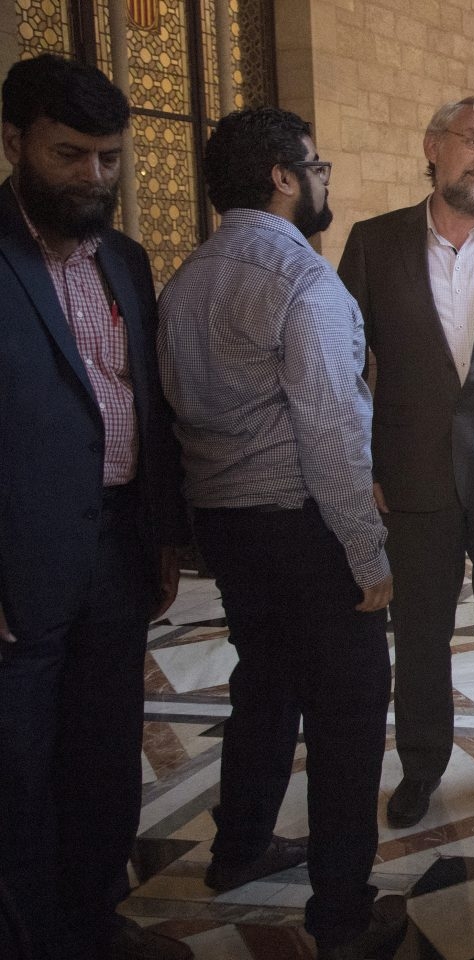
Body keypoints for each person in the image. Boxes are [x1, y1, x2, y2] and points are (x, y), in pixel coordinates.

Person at [158, 107, 407, 960]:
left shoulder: (187, 278)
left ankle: (239, 847)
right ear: (283, 176)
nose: (324, 179)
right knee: (347, 717)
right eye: (318, 165)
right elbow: (332, 431)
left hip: (224, 529)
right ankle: (341, 916)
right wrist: (366, 554)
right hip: (305, 527)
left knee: (263, 683)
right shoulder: (304, 282)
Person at [0, 54, 191, 960]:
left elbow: (140, 402)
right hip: (16, 566)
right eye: (71, 155)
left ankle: (94, 924)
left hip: (116, 553)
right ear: (13, 142)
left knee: (103, 761)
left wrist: (160, 536)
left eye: (110, 158)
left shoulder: (126, 257)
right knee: (18, 776)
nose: (95, 178)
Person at [338, 96, 474, 829]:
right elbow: (346, 367)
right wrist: (365, 467)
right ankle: (423, 766)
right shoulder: (374, 242)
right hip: (410, 477)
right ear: (433, 145)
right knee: (419, 638)